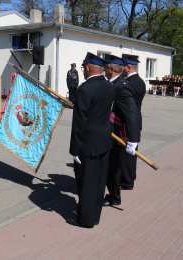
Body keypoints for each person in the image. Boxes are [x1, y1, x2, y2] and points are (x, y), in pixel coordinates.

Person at [69, 52, 115, 228]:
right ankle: (95, 216)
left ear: (88, 67)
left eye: (83, 67)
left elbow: (79, 123)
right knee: (99, 181)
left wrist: (75, 150)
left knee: (87, 182)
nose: (83, 71)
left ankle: (85, 220)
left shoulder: (85, 89)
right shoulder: (109, 86)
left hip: (87, 144)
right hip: (104, 141)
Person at [103, 54, 141, 206]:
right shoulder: (114, 83)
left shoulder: (121, 86)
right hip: (110, 131)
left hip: (117, 133)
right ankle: (113, 194)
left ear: (110, 68)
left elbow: (132, 114)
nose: (104, 70)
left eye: (105, 67)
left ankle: (114, 196)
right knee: (112, 166)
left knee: (113, 167)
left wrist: (133, 139)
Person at [121, 54, 146, 190]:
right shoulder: (140, 81)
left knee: (128, 154)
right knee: (131, 153)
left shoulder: (130, 83)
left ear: (129, 67)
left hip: (129, 122)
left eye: (123, 66)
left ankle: (127, 181)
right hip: (135, 121)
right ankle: (130, 176)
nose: (122, 69)